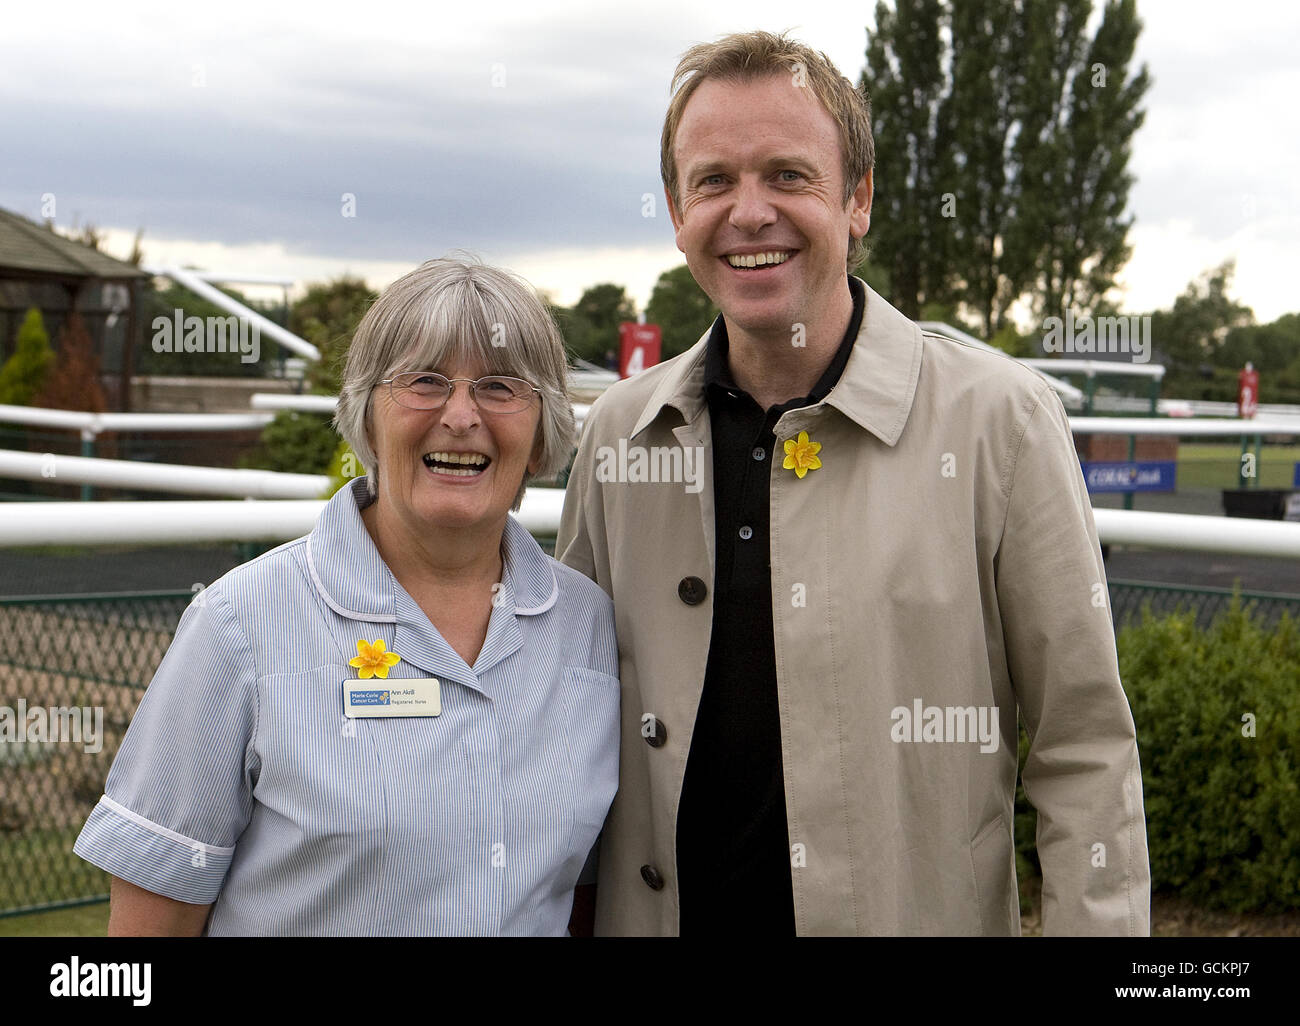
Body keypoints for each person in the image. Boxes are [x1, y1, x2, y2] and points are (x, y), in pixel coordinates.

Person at [557, 30, 1150, 935]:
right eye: (713, 180)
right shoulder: (618, 434)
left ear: (858, 199)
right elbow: (572, 728)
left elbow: (1084, 752)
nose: (749, 213)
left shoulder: (1002, 422)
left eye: (788, 176)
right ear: (677, 212)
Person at [75, 257, 619, 936]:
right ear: (366, 417)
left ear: (542, 433)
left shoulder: (587, 626)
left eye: (500, 386)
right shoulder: (240, 626)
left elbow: (590, 893)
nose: (459, 416)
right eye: (423, 381)